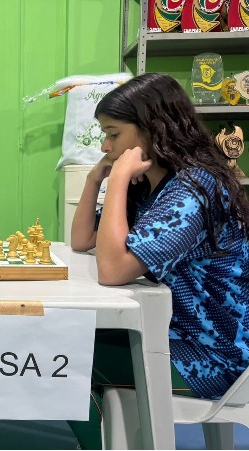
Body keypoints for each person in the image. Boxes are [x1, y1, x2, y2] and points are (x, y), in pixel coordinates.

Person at [69, 72, 249, 449]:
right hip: (173, 334)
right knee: (71, 346)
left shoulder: (194, 190)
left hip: (214, 357)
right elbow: (83, 240)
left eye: (113, 134)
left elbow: (113, 270)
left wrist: (118, 179)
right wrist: (94, 180)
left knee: (69, 360)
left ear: (152, 128)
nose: (105, 145)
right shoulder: (154, 184)